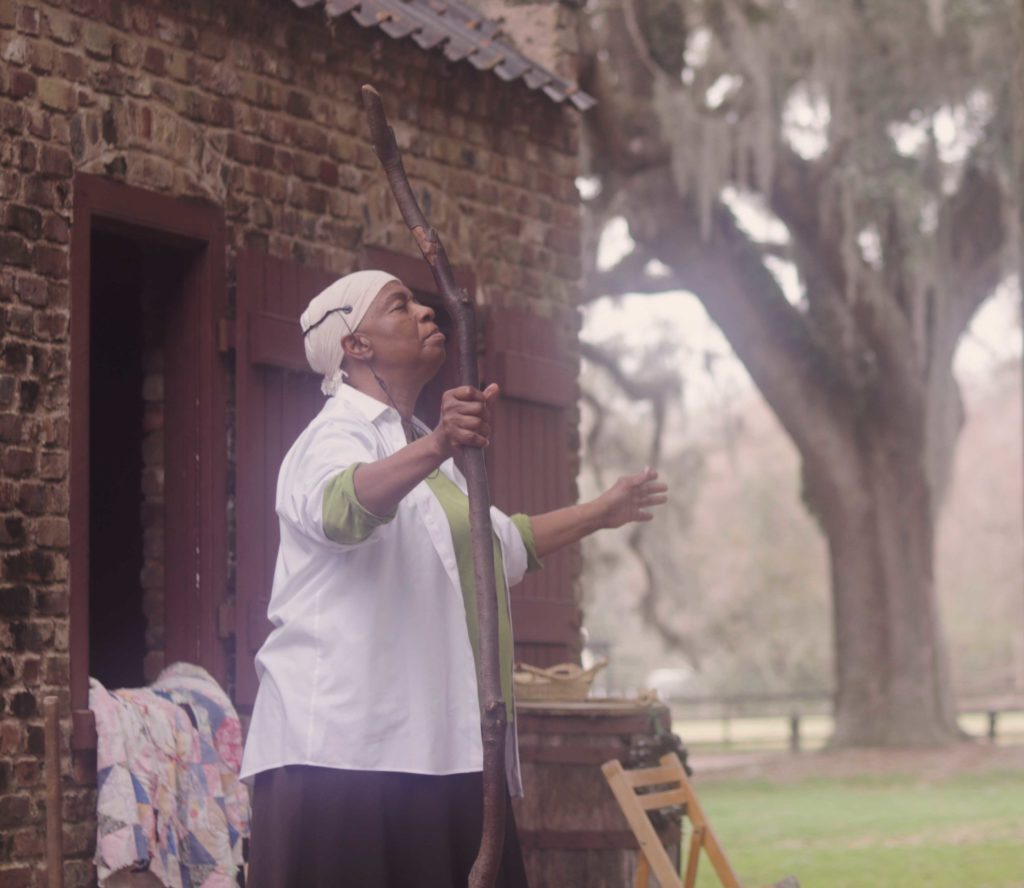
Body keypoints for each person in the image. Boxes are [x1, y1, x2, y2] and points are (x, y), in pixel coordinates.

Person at [240, 270, 668, 888]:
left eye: (419, 301)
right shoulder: (332, 437)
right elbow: (340, 509)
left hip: (440, 746)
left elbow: (501, 545)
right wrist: (441, 442)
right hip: (342, 755)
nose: (423, 312)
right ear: (355, 346)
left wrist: (603, 511)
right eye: (399, 305)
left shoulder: (424, 451)